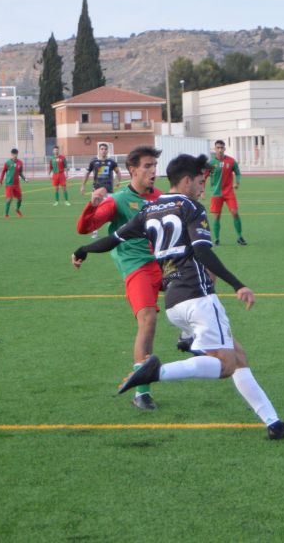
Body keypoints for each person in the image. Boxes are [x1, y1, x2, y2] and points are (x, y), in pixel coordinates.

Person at [72, 154, 284, 440]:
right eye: (200, 182)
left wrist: (83, 249)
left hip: (174, 303)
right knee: (226, 365)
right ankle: (157, 372)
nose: (203, 188)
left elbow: (113, 239)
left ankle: (274, 423)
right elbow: (203, 252)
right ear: (187, 180)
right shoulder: (191, 206)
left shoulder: (149, 208)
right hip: (198, 297)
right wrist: (238, 285)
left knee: (237, 356)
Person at [75, 146, 164, 410]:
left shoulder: (161, 197)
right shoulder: (118, 200)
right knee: (148, 321)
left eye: (154, 166)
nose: (153, 171)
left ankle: (189, 335)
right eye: (147, 166)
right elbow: (86, 228)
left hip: (164, 263)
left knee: (204, 276)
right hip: (137, 267)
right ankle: (142, 392)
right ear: (132, 170)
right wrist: (92, 206)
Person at [204, 139, 246, 246]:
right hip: (216, 193)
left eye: (222, 148)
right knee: (217, 217)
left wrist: (237, 182)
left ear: (225, 149)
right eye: (218, 148)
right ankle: (217, 239)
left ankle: (240, 237)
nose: (220, 150)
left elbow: (237, 173)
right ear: (215, 149)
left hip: (229, 192)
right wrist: (202, 191)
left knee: (235, 213)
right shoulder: (211, 163)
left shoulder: (231, 161)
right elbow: (203, 177)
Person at [0, 148, 26, 218]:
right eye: (13, 154)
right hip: (9, 184)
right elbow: (3, 172)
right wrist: (0, 181)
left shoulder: (20, 163)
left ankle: (17, 209)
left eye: (16, 154)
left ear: (17, 154)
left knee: (20, 199)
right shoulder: (7, 162)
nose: (15, 155)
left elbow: (20, 172)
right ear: (11, 154)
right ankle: (6, 214)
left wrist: (24, 178)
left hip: (17, 184)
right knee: (9, 199)